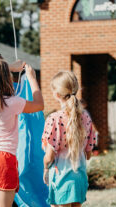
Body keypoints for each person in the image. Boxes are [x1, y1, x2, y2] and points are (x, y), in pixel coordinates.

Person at [0, 58, 44, 207]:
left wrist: (6, 67)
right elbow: (39, 105)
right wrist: (31, 78)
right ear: (6, 78)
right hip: (2, 158)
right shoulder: (13, 102)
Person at [42, 71, 97, 207]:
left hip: (61, 179)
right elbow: (88, 154)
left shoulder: (54, 119)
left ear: (56, 95)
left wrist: (45, 169)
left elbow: (49, 157)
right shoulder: (86, 118)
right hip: (79, 177)